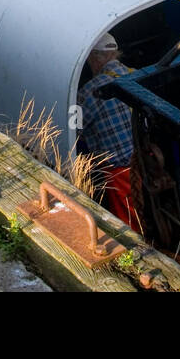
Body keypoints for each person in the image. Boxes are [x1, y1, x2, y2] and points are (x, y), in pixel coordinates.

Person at [75, 32, 137, 225]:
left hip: (119, 170)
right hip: (146, 159)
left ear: (95, 58)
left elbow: (73, 131)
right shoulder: (137, 75)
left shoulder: (88, 91)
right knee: (148, 209)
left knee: (128, 220)